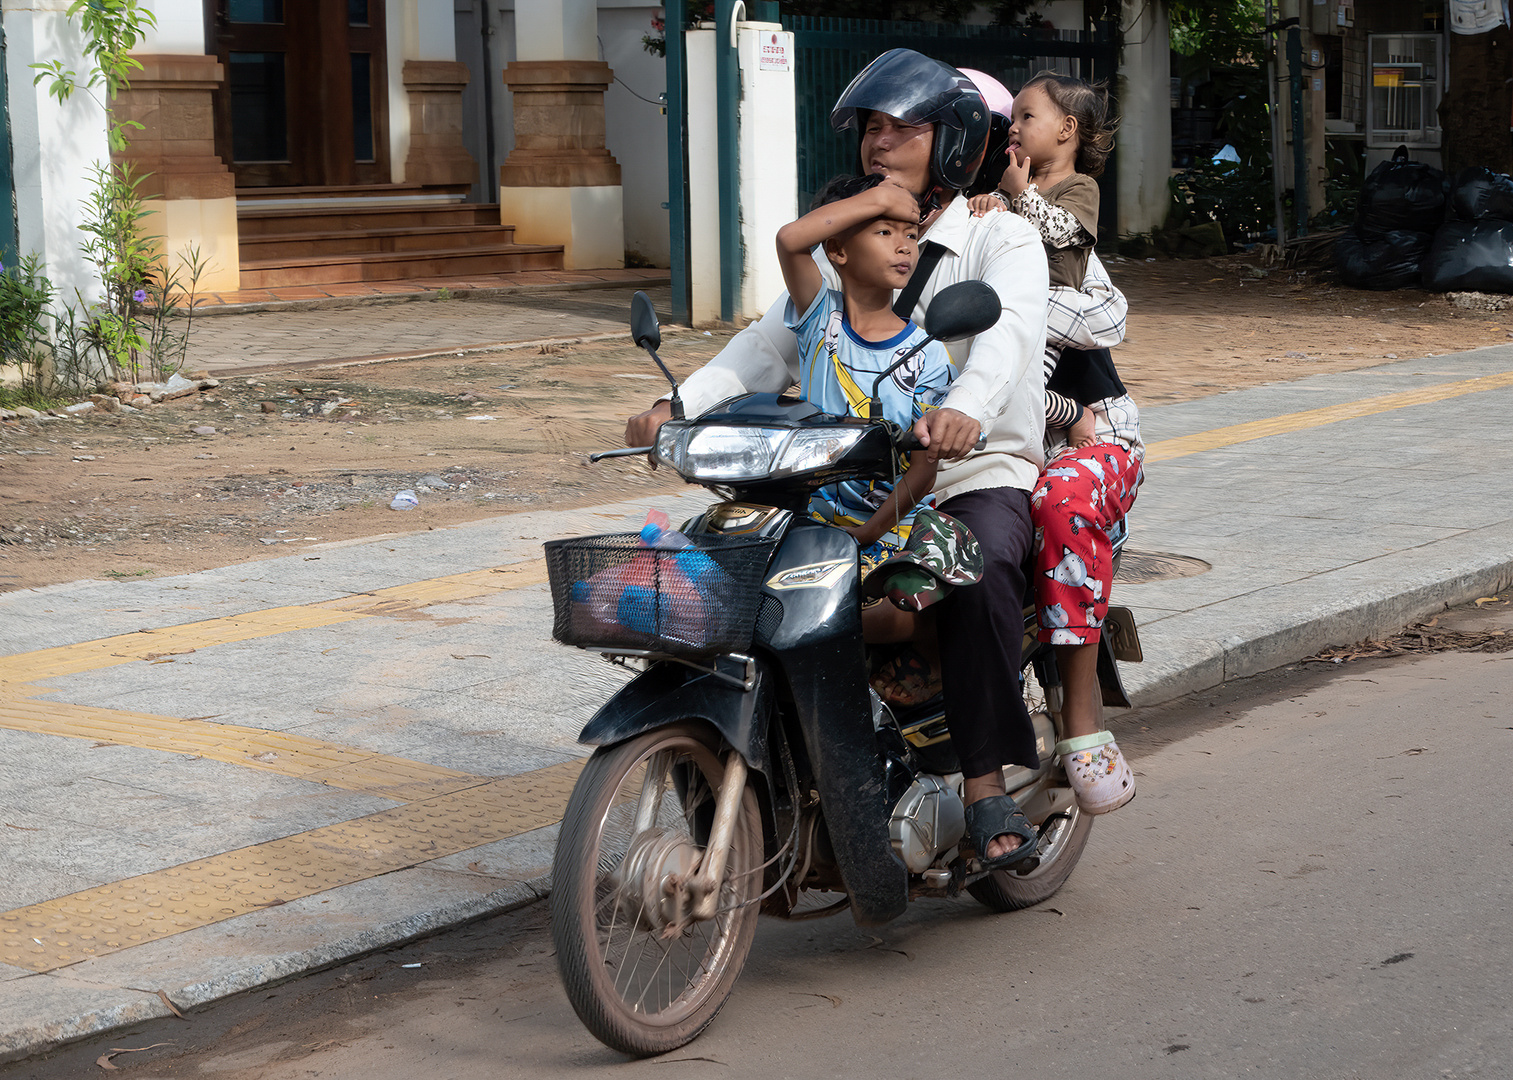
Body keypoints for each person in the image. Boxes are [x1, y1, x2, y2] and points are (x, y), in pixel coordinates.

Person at [626, 50, 1126, 869]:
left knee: (983, 562)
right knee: (722, 563)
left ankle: (982, 782)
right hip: (845, 480)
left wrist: (962, 410)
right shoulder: (849, 233)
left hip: (966, 470)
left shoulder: (1000, 237)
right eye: (871, 127)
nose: (879, 142)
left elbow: (1006, 340)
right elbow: (769, 342)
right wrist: (679, 408)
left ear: (954, 137)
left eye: (902, 127)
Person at [966, 72, 1144, 814]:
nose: (1012, 130)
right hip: (1006, 424)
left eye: (1025, 117)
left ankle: (1080, 716)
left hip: (1077, 420)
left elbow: (1099, 315)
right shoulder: (944, 220)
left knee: (1060, 504)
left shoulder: (1066, 202)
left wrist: (1009, 196)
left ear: (1065, 131)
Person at [775, 172, 955, 644]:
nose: (904, 247)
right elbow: (790, 240)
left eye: (912, 235)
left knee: (895, 616)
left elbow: (923, 470)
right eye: (884, 231)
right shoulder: (820, 318)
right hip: (810, 523)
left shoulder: (927, 352)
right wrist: (879, 196)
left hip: (889, 529)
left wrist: (867, 535)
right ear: (838, 251)